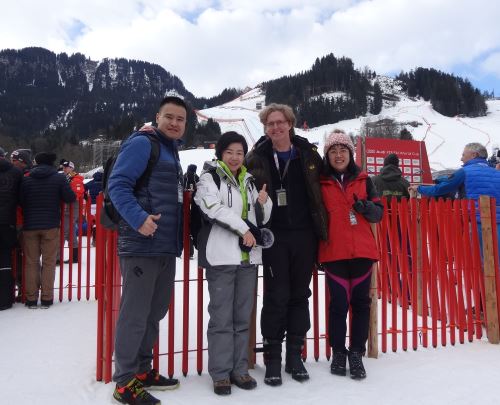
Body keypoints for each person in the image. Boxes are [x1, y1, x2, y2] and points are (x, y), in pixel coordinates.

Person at [108, 96, 188, 405]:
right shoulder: (143, 143)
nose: (174, 122)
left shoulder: (170, 150)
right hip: (142, 243)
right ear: (157, 117)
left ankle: (142, 369)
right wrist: (139, 219)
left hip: (164, 245)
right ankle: (125, 381)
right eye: (169, 116)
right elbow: (118, 184)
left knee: (154, 312)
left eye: (180, 119)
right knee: (135, 314)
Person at [245, 103, 328, 386]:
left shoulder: (308, 153)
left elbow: (327, 185)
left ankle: (295, 355)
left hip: (304, 234)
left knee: (299, 294)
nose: (276, 128)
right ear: (265, 127)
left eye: (280, 122)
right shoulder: (256, 156)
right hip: (274, 236)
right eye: (270, 124)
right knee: (275, 294)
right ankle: (272, 359)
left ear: (290, 124)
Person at [194, 131, 272, 395]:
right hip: (221, 258)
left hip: (248, 259)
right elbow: (212, 208)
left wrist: (264, 203)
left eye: (240, 152)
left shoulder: (249, 181)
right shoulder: (209, 178)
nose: (236, 157)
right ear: (221, 153)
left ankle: (239, 370)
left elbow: (261, 217)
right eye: (230, 152)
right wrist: (244, 230)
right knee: (221, 319)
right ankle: (220, 373)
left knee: (241, 319)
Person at [318, 129, 383, 379]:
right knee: (338, 305)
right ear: (327, 155)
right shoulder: (321, 181)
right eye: (333, 151)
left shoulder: (365, 180)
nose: (338, 155)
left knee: (360, 304)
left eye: (342, 150)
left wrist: (365, 207)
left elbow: (378, 213)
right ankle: (338, 352)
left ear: (350, 153)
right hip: (334, 252)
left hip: (362, 252)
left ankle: (356, 353)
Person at [409, 142, 500, 263]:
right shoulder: (496, 173)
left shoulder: (464, 171)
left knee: (480, 262)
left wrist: (419, 188)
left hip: (477, 221)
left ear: (474, 155)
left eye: (463, 154)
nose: (461, 158)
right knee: (496, 260)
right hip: (497, 221)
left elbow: (441, 189)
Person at [20, 152, 76, 309]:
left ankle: (31, 299)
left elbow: (20, 200)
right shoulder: (59, 178)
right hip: (50, 224)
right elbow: (70, 197)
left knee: (31, 262)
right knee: (49, 262)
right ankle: (46, 298)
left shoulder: (26, 178)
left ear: (37, 162)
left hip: (30, 225)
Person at [0, 147, 23, 310]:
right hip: (8, 222)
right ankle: (5, 300)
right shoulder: (15, 173)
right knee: (6, 261)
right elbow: (22, 197)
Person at [59, 160, 85, 264]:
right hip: (66, 207)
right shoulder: (65, 178)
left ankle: (57, 257)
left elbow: (77, 194)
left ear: (72, 168)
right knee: (70, 232)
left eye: (67, 167)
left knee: (63, 232)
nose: (64, 169)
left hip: (71, 207)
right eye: (63, 167)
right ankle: (75, 257)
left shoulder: (76, 179)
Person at [183, 164, 199, 258]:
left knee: (186, 225)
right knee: (192, 224)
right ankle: (191, 250)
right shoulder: (196, 177)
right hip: (194, 204)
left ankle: (188, 251)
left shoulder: (184, 176)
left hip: (185, 204)